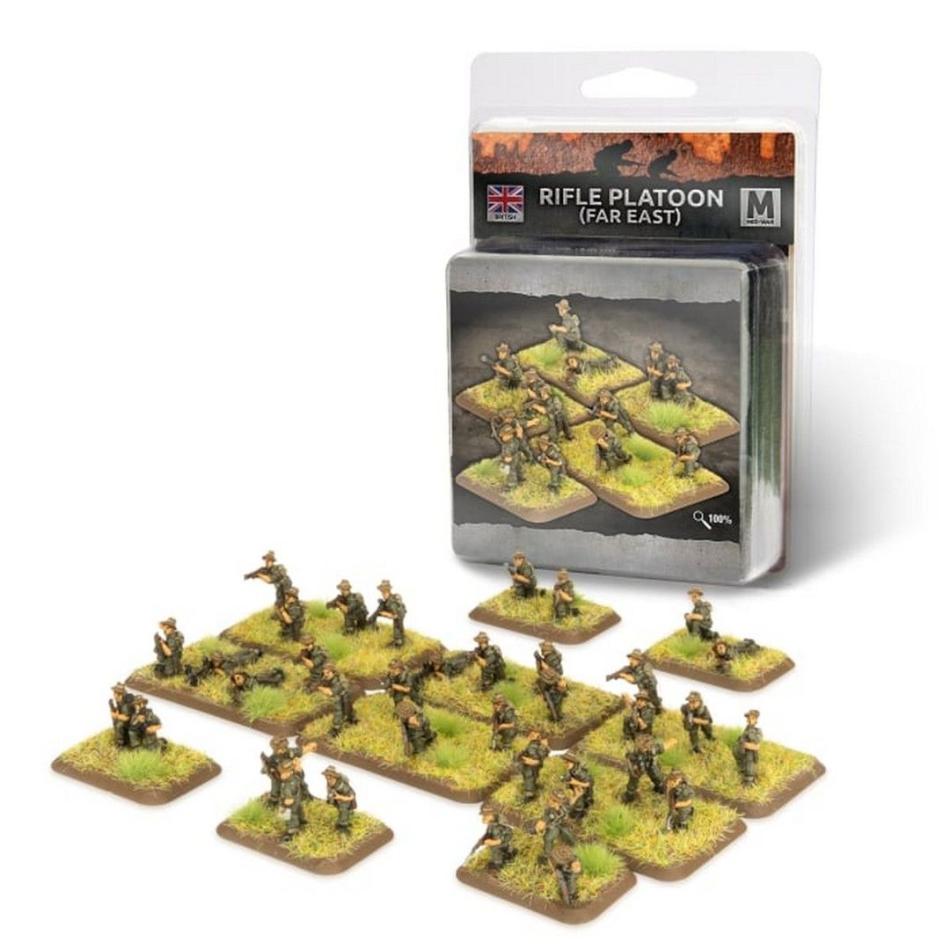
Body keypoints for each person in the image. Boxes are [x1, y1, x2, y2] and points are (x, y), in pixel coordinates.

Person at [472, 804, 517, 870]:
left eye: (486, 815)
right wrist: (483, 840)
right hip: (498, 845)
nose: (483, 817)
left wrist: (496, 842)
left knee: (496, 850)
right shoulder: (491, 826)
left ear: (493, 815)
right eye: (484, 815)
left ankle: (499, 865)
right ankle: (499, 859)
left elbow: (509, 834)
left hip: (506, 845)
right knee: (494, 850)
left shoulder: (502, 825)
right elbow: (488, 834)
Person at [317, 664, 359, 736]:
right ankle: (352, 719)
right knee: (346, 709)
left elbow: (330, 693)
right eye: (324, 673)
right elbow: (323, 682)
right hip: (342, 694)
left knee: (339, 709)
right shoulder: (329, 678)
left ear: (333, 672)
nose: (326, 675)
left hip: (345, 695)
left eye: (328, 673)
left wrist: (320, 688)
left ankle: (337, 728)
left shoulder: (339, 681)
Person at [623, 733, 666, 801]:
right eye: (643, 746)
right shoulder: (634, 756)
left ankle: (660, 788)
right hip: (638, 769)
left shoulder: (652, 749)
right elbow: (629, 763)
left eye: (647, 746)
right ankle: (629, 796)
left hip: (650, 765)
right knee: (632, 784)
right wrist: (633, 771)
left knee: (658, 777)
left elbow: (660, 748)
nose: (645, 748)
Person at [535, 791, 576, 864]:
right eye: (550, 799)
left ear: (560, 803)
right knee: (548, 838)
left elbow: (571, 804)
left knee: (570, 838)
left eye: (554, 801)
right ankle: (547, 854)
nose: (551, 802)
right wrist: (542, 823)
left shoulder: (565, 807)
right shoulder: (549, 810)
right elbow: (545, 818)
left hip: (564, 825)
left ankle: (574, 850)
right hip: (554, 826)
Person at [368, 579, 407, 648]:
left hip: (398, 614)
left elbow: (397, 614)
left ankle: (398, 642)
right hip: (392, 611)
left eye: (385, 590)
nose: (383, 593)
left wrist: (388, 614)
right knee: (373, 617)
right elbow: (377, 612)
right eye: (382, 591)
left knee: (397, 625)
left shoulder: (393, 599)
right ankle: (373, 628)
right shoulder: (385, 601)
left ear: (388, 590)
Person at [518, 730, 550, 802]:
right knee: (529, 777)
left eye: (536, 735)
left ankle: (529, 795)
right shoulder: (532, 745)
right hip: (527, 767)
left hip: (531, 769)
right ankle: (529, 792)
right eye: (532, 734)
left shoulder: (534, 746)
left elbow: (536, 759)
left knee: (530, 777)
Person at [561, 751, 594, 820]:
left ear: (573, 763)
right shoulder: (571, 770)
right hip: (576, 789)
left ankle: (578, 817)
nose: (566, 764)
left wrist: (575, 783)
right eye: (565, 762)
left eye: (568, 762)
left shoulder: (579, 772)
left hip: (583, 791)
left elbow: (588, 783)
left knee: (580, 805)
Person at [323, 766, 357, 833]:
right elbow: (330, 791)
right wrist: (330, 797)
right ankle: (342, 821)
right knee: (341, 810)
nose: (327, 777)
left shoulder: (342, 785)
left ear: (334, 776)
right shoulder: (329, 783)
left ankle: (343, 826)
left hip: (345, 800)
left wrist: (341, 798)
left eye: (330, 775)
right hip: (337, 800)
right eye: (326, 775)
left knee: (343, 810)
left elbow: (351, 795)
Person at [735, 710, 762, 786]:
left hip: (751, 753)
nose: (748, 720)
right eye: (748, 718)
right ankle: (744, 778)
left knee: (749, 766)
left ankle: (749, 781)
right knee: (742, 766)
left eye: (751, 718)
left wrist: (750, 732)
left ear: (756, 719)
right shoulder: (746, 729)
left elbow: (757, 740)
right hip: (742, 752)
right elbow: (741, 739)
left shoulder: (757, 730)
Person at [109, 683, 135, 748]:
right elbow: (119, 710)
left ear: (119, 694)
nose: (114, 695)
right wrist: (113, 710)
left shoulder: (126, 703)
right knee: (116, 721)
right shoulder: (119, 701)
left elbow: (126, 718)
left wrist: (116, 716)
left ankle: (121, 744)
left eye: (115, 693)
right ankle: (122, 738)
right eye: (114, 693)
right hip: (129, 722)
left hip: (132, 723)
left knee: (119, 725)